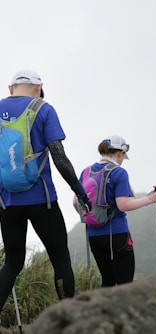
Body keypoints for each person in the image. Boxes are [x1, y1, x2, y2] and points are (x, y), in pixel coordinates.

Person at [0, 70, 91, 316]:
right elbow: (59, 157)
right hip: (43, 200)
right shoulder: (44, 109)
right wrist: (79, 191)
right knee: (60, 259)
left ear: (10, 88)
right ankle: (67, 320)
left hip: (7, 202)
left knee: (12, 263)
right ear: (39, 87)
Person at [73, 135, 156, 287]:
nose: (122, 160)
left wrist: (93, 217)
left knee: (107, 281)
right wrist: (150, 199)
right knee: (124, 284)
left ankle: (103, 311)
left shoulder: (86, 172)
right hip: (117, 233)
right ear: (120, 153)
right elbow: (123, 204)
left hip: (94, 236)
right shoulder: (119, 172)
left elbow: (75, 202)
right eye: (123, 156)